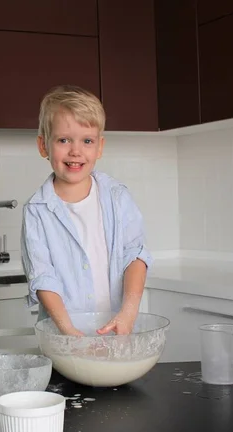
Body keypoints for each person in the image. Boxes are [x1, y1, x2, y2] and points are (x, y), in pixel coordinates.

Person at [20, 85, 153, 337]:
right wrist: (68, 330)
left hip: (116, 333)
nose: (75, 151)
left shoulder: (117, 197)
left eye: (87, 141)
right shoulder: (36, 211)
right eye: (63, 140)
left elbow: (135, 256)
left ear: (99, 147)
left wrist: (128, 313)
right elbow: (43, 277)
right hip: (62, 339)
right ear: (43, 146)